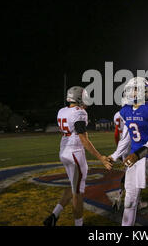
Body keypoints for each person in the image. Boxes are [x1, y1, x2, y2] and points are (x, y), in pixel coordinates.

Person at [44, 86, 112, 226]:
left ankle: (54, 215)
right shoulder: (79, 113)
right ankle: (78, 224)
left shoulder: (62, 111)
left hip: (63, 150)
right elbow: (83, 139)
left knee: (73, 185)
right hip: (75, 152)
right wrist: (100, 158)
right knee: (78, 192)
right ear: (78, 98)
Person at [109, 77, 148, 226]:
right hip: (134, 158)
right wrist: (114, 156)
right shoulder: (125, 110)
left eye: (135, 88)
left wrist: (137, 155)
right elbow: (125, 138)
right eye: (130, 89)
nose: (132, 92)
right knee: (130, 200)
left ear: (145, 91)